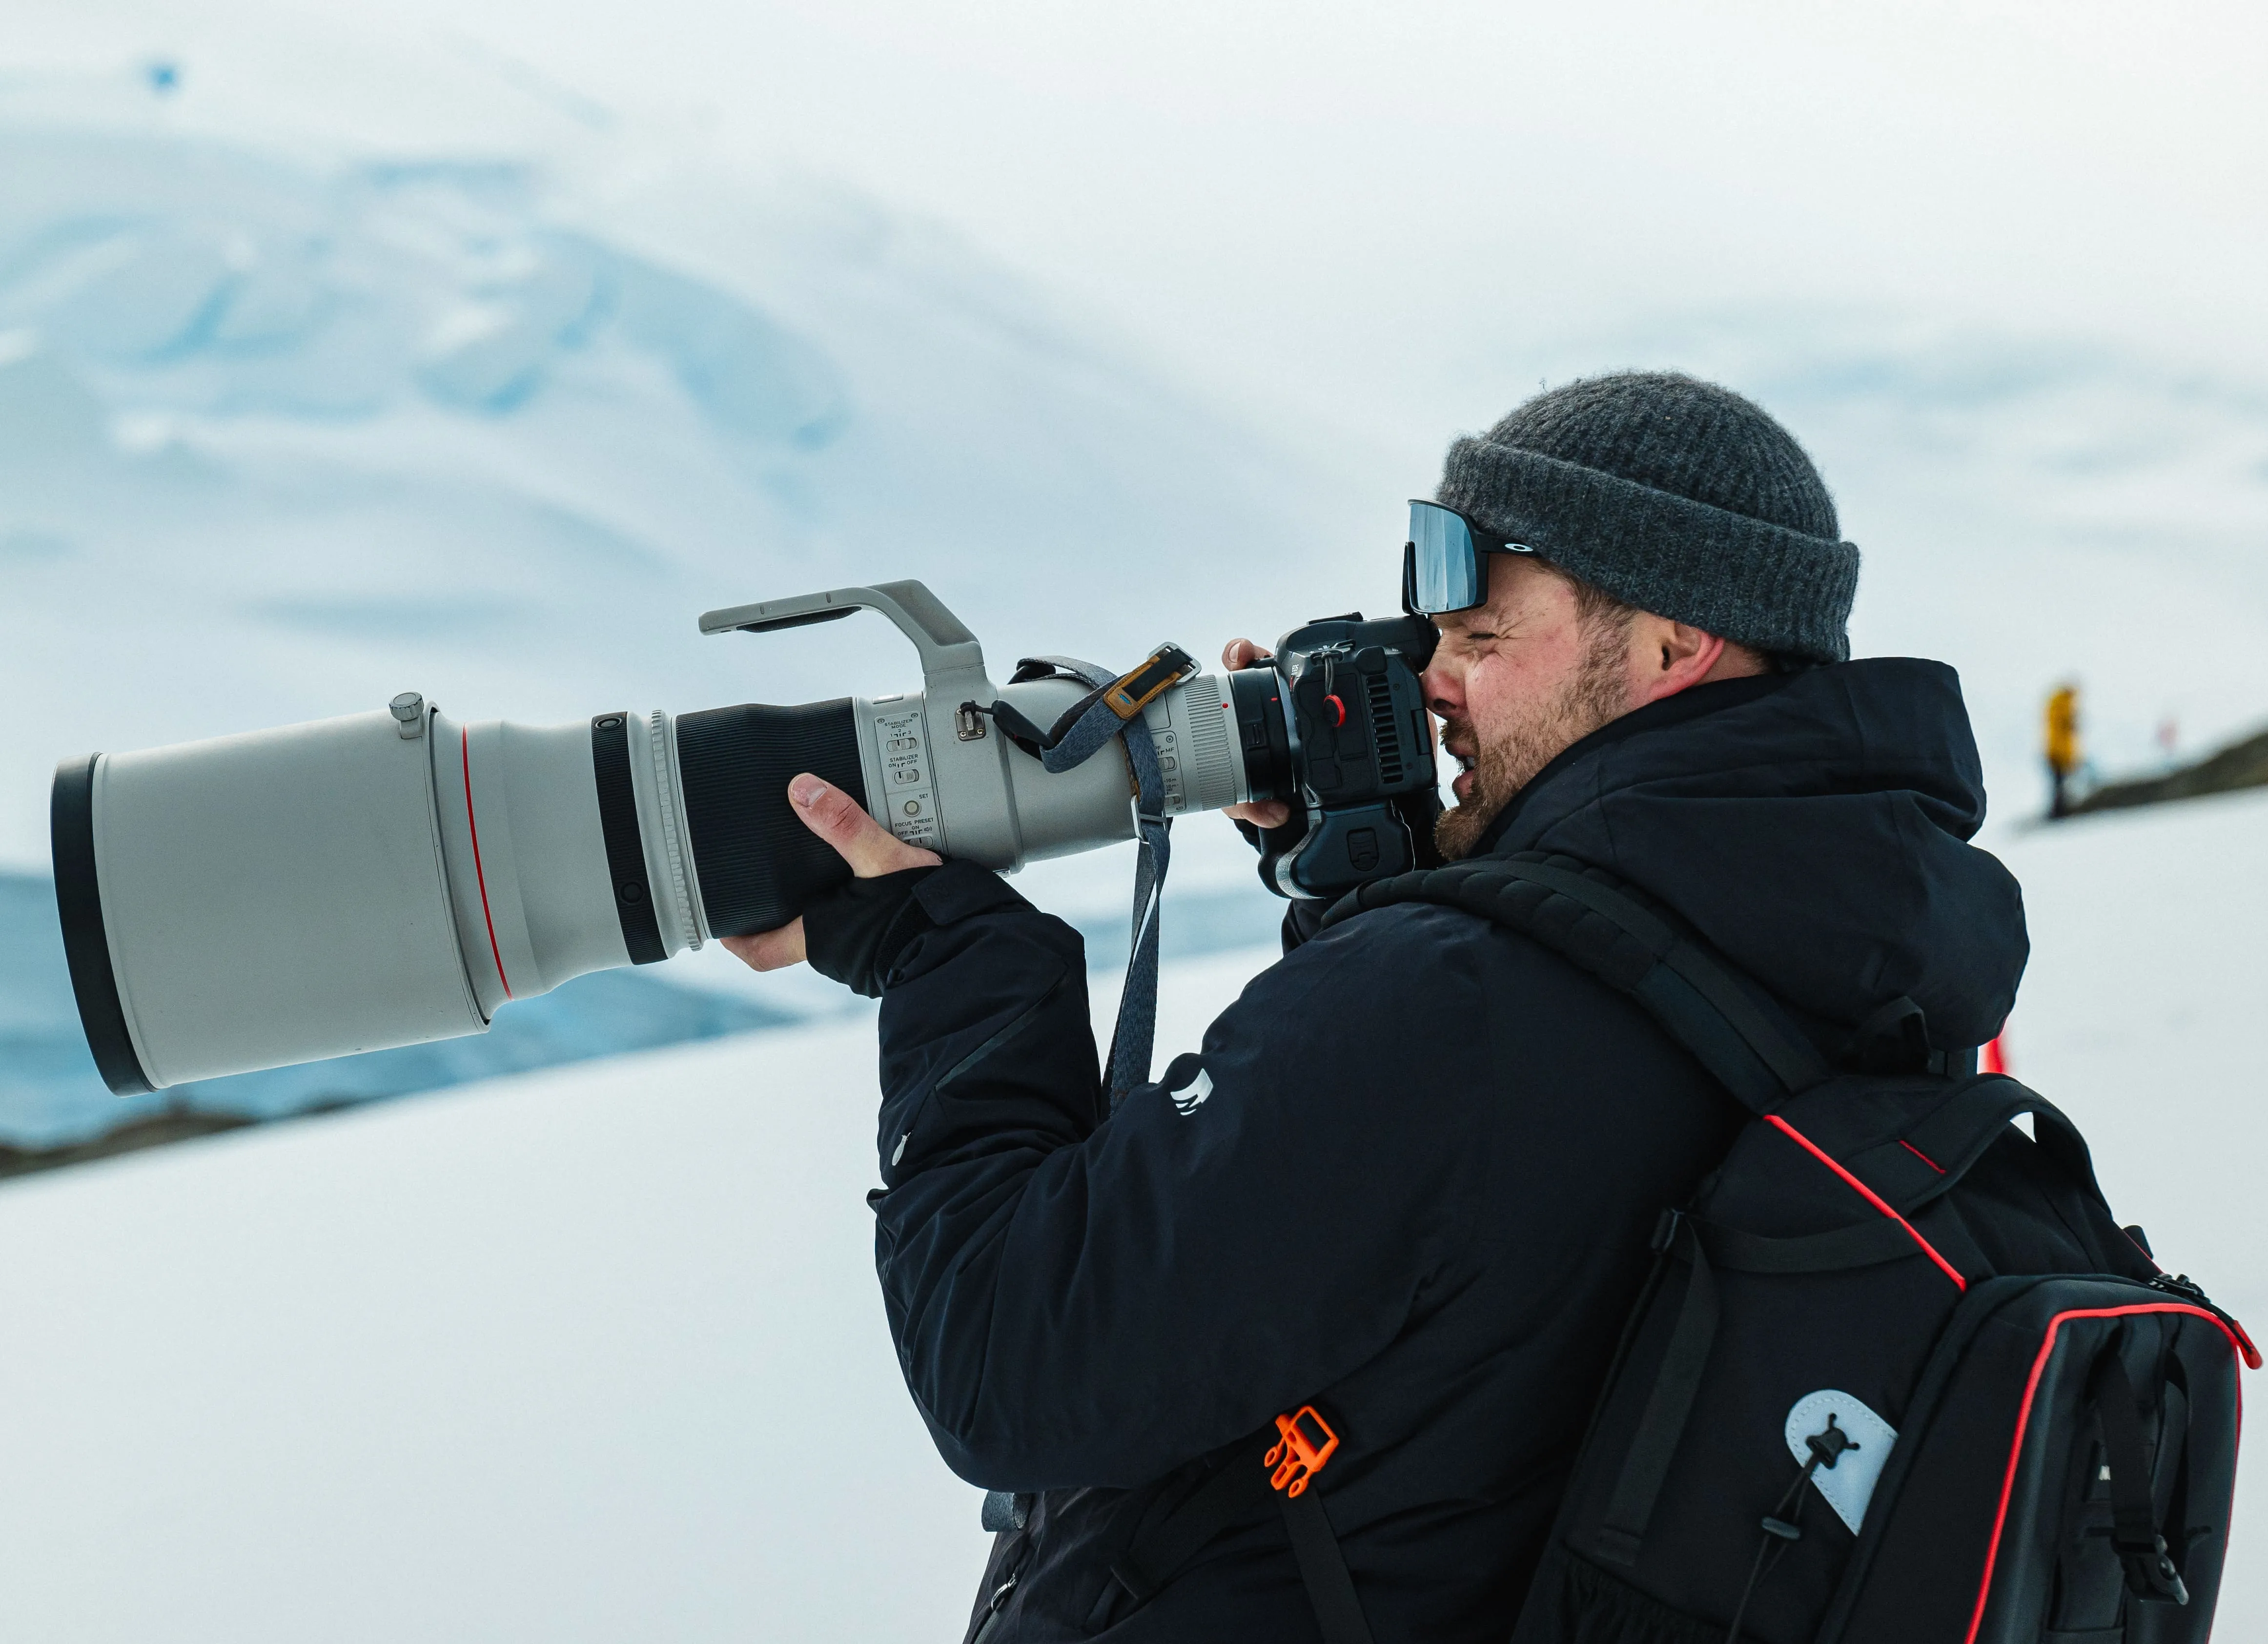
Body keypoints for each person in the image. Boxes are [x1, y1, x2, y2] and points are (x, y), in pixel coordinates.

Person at [725, 372, 2026, 1642]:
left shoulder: (1455, 1003)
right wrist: (1390, 882)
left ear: (1670, 646)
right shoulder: (1866, 955)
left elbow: (1010, 1364)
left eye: (1477, 639)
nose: (1431, 683)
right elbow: (1499, 1289)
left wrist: (949, 963)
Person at [2045, 681, 2081, 817]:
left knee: (2060, 785)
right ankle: (2058, 812)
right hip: (2057, 755)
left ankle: (2060, 810)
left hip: (2057, 753)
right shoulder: (2062, 706)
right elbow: (2062, 735)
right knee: (2059, 785)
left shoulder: (2058, 705)